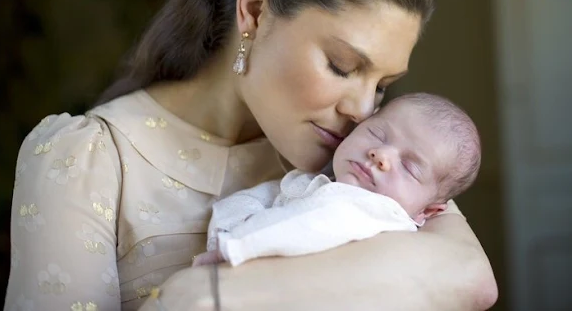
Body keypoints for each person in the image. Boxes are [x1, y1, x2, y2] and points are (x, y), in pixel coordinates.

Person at [4, 0, 497, 311]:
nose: (363, 111)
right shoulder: (88, 157)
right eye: (342, 66)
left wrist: (213, 296)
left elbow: (473, 279)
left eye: (383, 86)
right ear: (255, 11)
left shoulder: (367, 167)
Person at [192, 92, 481, 267]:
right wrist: (229, 228)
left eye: (409, 167)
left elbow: (308, 226)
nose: (380, 154)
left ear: (427, 212)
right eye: (377, 134)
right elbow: (260, 198)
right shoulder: (319, 181)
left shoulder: (378, 214)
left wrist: (236, 246)